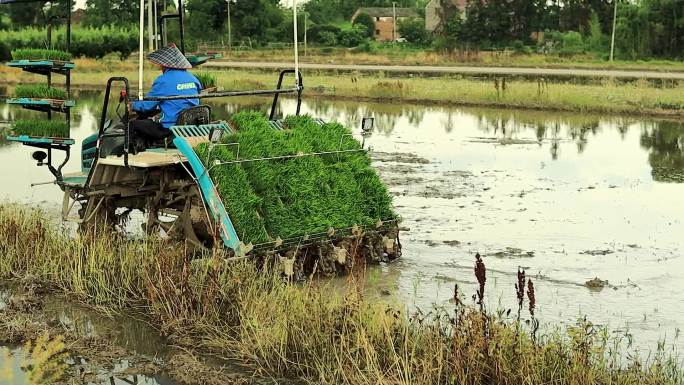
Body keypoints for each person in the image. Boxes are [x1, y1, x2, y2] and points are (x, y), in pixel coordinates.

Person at [130, 44, 202, 142]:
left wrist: (132, 105)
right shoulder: (193, 79)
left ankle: (133, 153)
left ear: (164, 65)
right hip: (190, 126)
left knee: (133, 125)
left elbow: (147, 106)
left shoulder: (163, 80)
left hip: (169, 129)